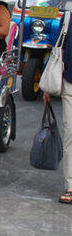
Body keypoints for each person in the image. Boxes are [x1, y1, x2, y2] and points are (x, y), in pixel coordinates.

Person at [43, 10, 72, 204]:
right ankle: (70, 186)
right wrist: (48, 87)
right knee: (71, 133)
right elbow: (58, 48)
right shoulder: (69, 16)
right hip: (69, 81)